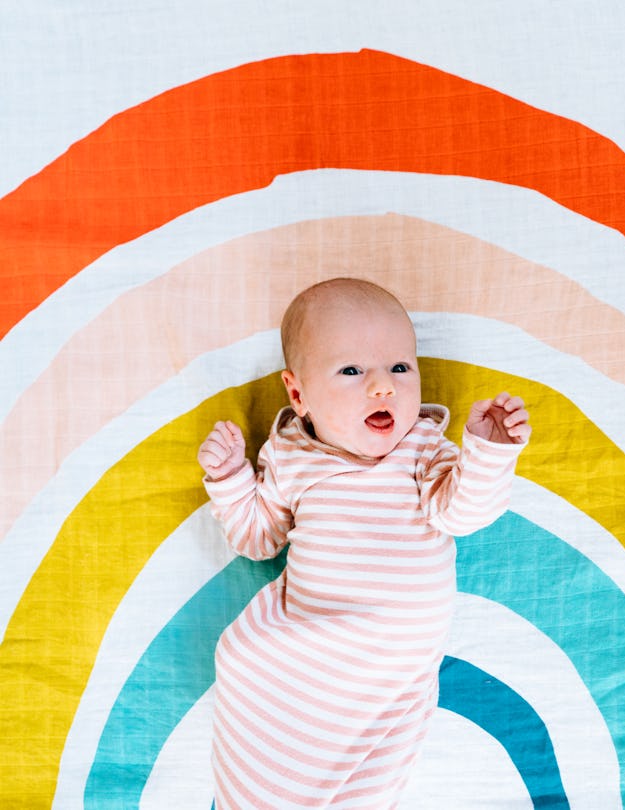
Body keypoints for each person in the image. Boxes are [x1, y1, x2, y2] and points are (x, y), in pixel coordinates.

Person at [198, 277, 530, 809]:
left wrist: (489, 454)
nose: (383, 387)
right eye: (352, 371)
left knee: (366, 783)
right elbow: (258, 539)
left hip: (388, 667)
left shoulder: (422, 446)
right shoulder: (290, 456)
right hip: (305, 644)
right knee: (244, 658)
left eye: (400, 368)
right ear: (298, 393)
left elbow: (463, 512)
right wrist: (231, 480)